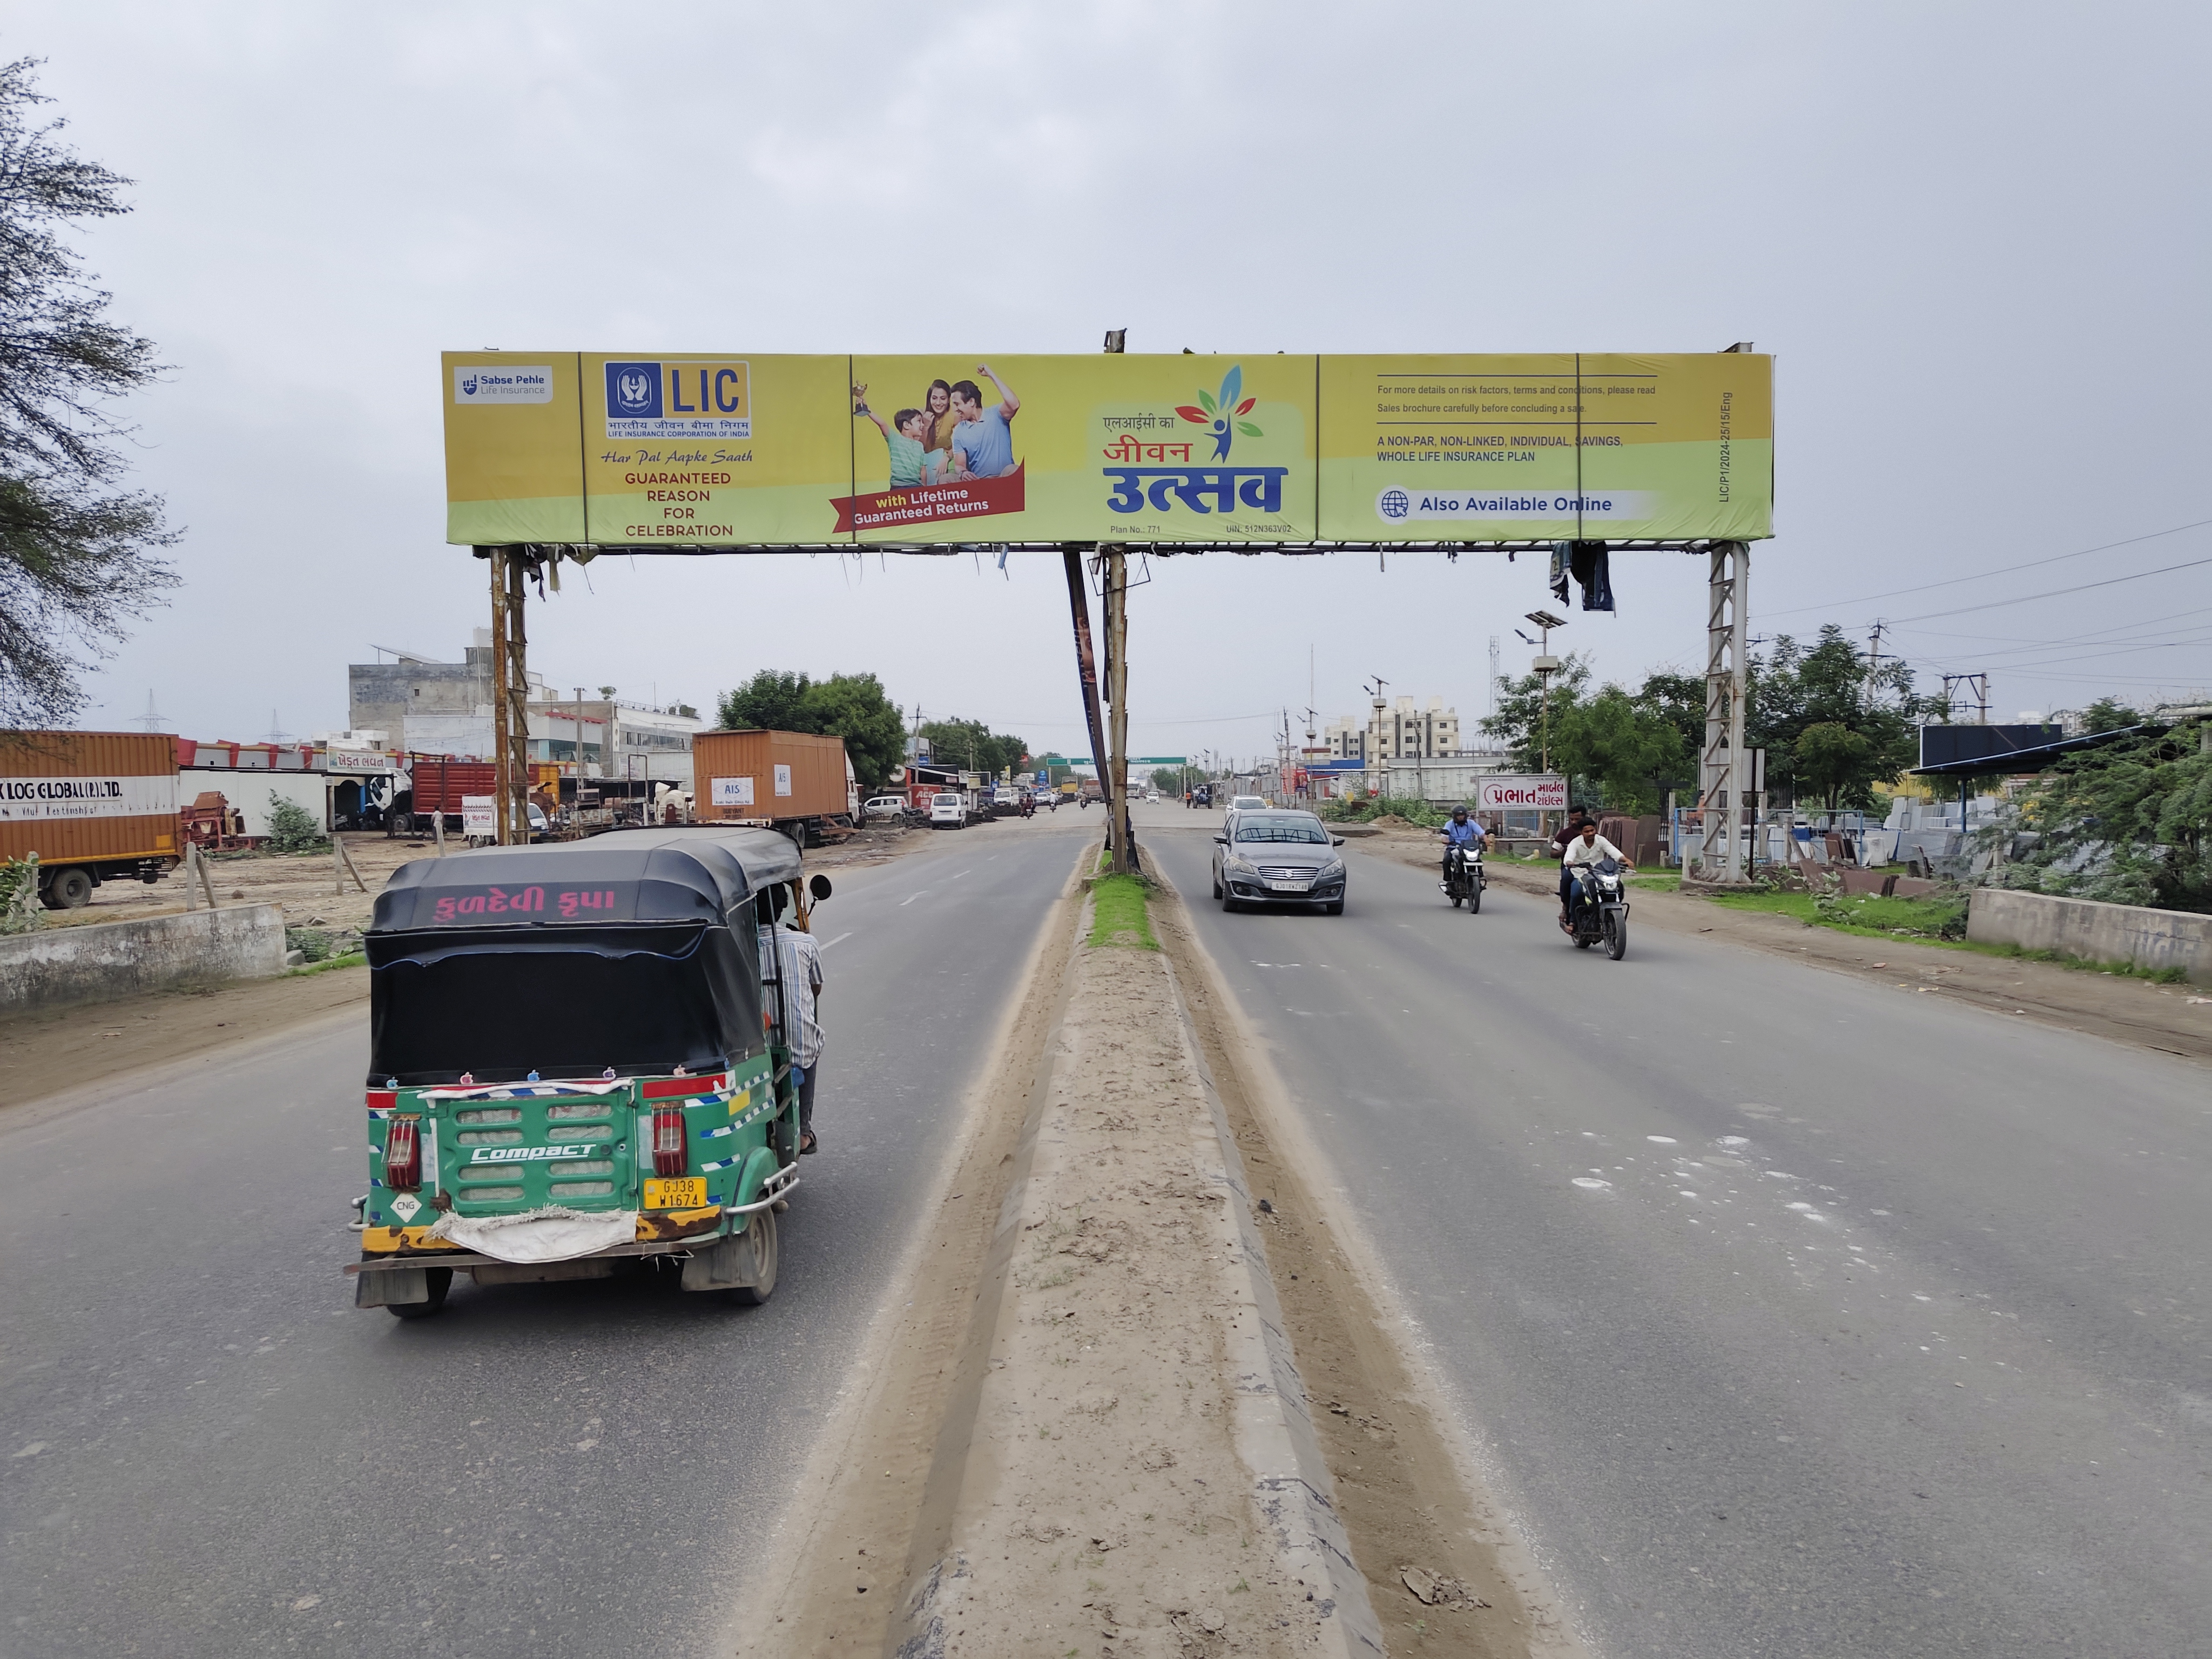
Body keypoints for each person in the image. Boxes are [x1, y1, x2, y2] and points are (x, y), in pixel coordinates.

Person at [757, 888, 826, 1155]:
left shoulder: (743, 948)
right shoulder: (805, 943)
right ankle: (804, 1131)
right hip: (798, 1041)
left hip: (760, 1041)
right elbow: (816, 988)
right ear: (782, 908)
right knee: (811, 1041)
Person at [852, 386, 940, 487]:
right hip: (898, 487)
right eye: (919, 421)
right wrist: (866, 409)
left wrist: (924, 488)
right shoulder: (895, 440)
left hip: (917, 487)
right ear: (906, 425)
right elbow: (882, 424)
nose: (922, 425)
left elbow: (923, 469)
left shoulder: (919, 446)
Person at [1559, 817, 1633, 932]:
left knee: (1617, 886)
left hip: (1599, 873)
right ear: (1581, 832)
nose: (1591, 833)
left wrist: (1625, 860)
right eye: (1587, 832)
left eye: (1592, 830)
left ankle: (1612, 912)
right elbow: (1569, 856)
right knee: (1576, 893)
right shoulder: (1575, 843)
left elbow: (1613, 851)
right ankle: (1573, 921)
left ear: (1596, 830)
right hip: (1580, 873)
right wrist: (1569, 862)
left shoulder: (1601, 840)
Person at [948, 364, 1021, 480]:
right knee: (946, 479)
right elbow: (959, 464)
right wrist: (963, 473)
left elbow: (1014, 404)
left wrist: (991, 374)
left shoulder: (996, 415)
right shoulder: (959, 431)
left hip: (1004, 479)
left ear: (971, 402)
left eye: (957, 404)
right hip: (979, 483)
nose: (955, 409)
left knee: (1014, 469)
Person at [1438, 805, 1486, 887]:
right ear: (1454, 816)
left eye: (1462, 815)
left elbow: (1481, 832)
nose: (1461, 817)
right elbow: (1444, 835)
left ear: (1466, 815)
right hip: (1454, 848)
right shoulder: (1450, 824)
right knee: (1447, 860)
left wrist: (1485, 838)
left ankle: (1479, 878)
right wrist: (1445, 840)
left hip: (1468, 848)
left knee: (1477, 859)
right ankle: (1448, 881)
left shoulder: (1471, 823)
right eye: (1458, 815)